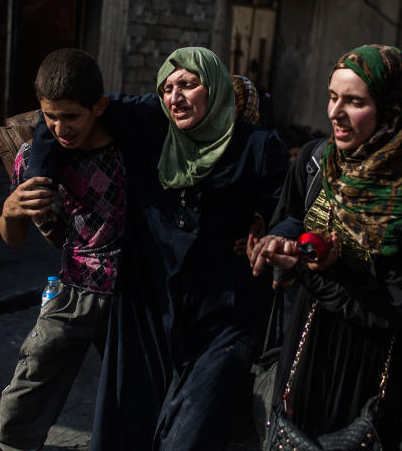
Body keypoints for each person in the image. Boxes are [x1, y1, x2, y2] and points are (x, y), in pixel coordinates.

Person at [29, 46, 289, 450]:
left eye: (187, 84)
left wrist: (270, 228)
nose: (174, 97)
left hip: (221, 312)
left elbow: (289, 206)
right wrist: (39, 179)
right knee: (128, 424)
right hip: (147, 305)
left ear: (216, 88)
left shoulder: (257, 146)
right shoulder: (150, 120)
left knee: (190, 432)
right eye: (167, 87)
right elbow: (62, 114)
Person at [249, 44, 402, 449]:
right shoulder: (325, 163)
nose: (334, 113)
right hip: (305, 350)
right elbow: (294, 219)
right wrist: (284, 248)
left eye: (354, 102)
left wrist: (308, 271)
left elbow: (398, 310)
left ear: (392, 110)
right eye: (332, 97)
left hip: (367, 369)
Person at [0, 49, 126, 451]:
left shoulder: (129, 151)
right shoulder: (33, 159)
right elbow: (12, 237)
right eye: (50, 116)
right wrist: (10, 210)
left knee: (133, 400)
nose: (59, 127)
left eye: (71, 117)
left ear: (98, 107)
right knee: (25, 394)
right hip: (73, 289)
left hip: (131, 295)